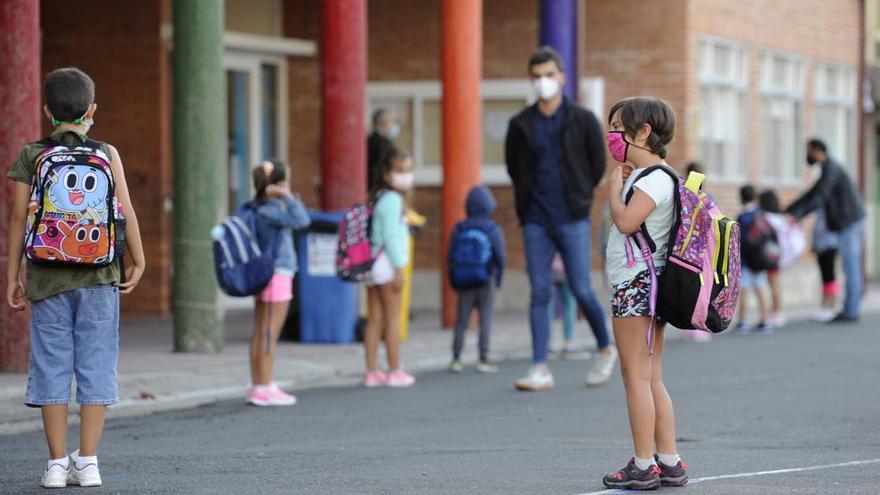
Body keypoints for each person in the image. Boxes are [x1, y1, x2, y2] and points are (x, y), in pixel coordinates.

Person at [6, 68, 146, 488]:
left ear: (47, 110)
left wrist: (15, 273)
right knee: (96, 363)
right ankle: (87, 461)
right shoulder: (106, 152)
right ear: (92, 110)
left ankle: (53, 464)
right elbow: (125, 208)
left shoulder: (31, 154)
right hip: (100, 274)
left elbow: (17, 220)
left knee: (50, 364)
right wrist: (137, 259)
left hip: (47, 278)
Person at [505, 46, 617, 391]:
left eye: (549, 75)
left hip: (572, 216)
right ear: (531, 79)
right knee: (539, 291)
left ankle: (604, 347)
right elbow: (514, 167)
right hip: (536, 218)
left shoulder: (583, 119)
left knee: (582, 288)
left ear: (562, 78)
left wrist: (582, 196)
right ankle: (540, 366)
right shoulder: (520, 124)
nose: (543, 82)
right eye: (537, 76)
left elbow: (598, 163)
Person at [602, 97, 688, 490]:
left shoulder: (653, 179)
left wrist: (611, 185)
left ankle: (643, 463)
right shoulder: (662, 176)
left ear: (644, 132)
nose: (613, 136)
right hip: (652, 284)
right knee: (651, 376)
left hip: (636, 285)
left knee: (634, 375)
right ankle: (668, 460)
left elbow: (625, 222)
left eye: (619, 127)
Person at [246, 160, 310, 406]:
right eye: (285, 182)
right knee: (270, 331)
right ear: (277, 185)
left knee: (261, 329)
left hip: (264, 273)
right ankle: (264, 386)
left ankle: (259, 383)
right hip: (278, 272)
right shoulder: (272, 209)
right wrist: (289, 197)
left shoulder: (256, 207)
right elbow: (302, 220)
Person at [786, 139, 865, 323]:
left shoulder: (832, 169)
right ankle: (849, 307)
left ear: (818, 151)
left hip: (849, 222)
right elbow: (813, 193)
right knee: (849, 264)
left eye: (809, 152)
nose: (808, 156)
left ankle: (851, 309)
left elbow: (819, 196)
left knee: (850, 265)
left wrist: (796, 215)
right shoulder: (828, 169)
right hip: (845, 222)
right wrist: (790, 210)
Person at [363, 148, 416, 388]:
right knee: (392, 319)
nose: (406, 176)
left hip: (372, 262)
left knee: (374, 319)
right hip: (388, 263)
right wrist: (399, 268)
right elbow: (392, 237)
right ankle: (395, 369)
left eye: (408, 170)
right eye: (400, 171)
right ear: (386, 174)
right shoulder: (394, 201)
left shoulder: (378, 198)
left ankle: (372, 371)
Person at [447, 185, 506, 374]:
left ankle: (456, 358)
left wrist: (453, 280)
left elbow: (450, 257)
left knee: (461, 321)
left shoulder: (459, 228)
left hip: (464, 280)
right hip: (485, 279)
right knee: (485, 320)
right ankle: (483, 358)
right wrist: (497, 278)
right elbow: (500, 257)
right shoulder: (492, 229)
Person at [680, 161, 712, 343]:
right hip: (705, 248)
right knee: (703, 288)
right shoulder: (707, 196)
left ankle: (694, 325)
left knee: (692, 288)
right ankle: (699, 325)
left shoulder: (687, 194)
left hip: (689, 248)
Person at [736, 185, 773, 334]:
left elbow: (739, 239)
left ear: (741, 198)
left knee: (744, 291)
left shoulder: (742, 217)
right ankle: (765, 320)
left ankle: (743, 321)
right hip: (760, 259)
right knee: (761, 289)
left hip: (745, 260)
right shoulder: (761, 214)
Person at [812, 207, 840, 322]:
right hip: (821, 246)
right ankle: (824, 305)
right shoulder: (821, 210)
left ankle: (830, 306)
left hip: (829, 245)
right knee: (825, 277)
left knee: (829, 276)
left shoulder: (832, 211)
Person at [367, 108, 400, 192]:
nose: (394, 126)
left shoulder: (368, 140)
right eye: (392, 122)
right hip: (378, 188)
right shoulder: (384, 144)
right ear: (382, 123)